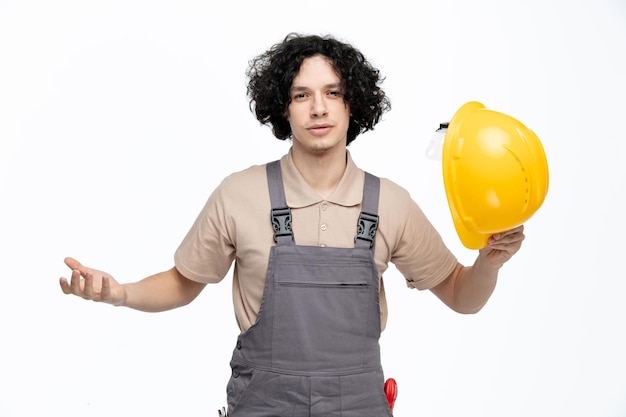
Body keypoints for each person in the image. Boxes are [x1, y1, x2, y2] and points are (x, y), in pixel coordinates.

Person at [59, 33, 525, 416]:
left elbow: (463, 297)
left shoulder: (391, 205)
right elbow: (184, 283)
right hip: (262, 406)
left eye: (332, 93)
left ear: (352, 105)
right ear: (284, 108)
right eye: (302, 95)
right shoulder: (240, 194)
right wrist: (120, 293)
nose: (318, 108)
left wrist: (489, 261)